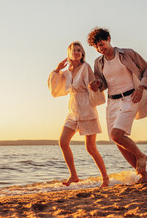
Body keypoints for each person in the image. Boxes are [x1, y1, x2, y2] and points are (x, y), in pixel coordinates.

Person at [87, 27, 147, 183]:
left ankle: (141, 155)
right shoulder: (99, 62)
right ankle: (144, 176)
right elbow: (103, 83)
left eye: (101, 44)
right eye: (96, 47)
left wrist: (141, 87)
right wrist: (96, 84)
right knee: (118, 141)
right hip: (112, 101)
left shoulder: (127, 54)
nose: (100, 48)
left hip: (131, 97)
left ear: (109, 39)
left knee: (116, 135)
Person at [48, 41, 109, 187]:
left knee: (91, 148)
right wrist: (57, 69)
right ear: (69, 53)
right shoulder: (67, 71)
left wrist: (94, 86)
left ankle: (105, 178)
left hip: (87, 109)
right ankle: (74, 175)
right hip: (73, 110)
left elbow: (93, 85)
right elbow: (55, 86)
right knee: (63, 142)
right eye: (74, 50)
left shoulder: (86, 67)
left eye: (79, 50)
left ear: (82, 54)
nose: (77, 52)